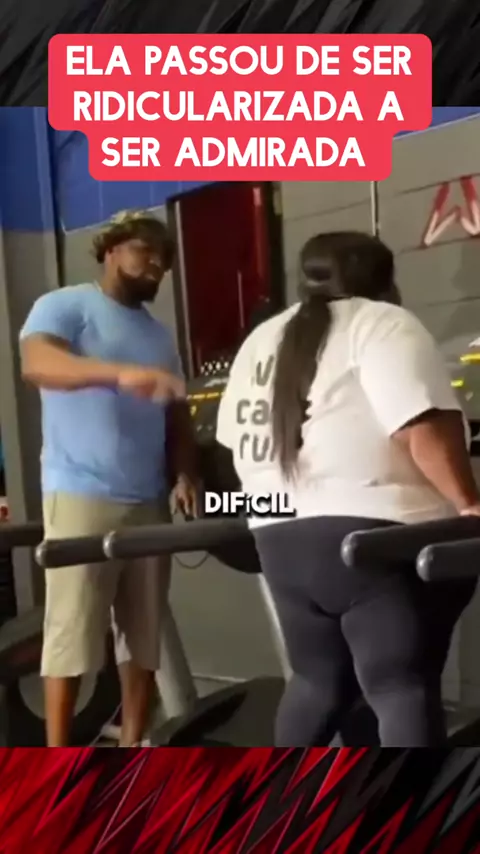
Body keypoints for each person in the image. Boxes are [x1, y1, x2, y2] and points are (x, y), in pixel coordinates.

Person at [216, 230, 479, 748]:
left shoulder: (261, 339)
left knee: (316, 683)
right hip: (376, 539)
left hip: (280, 541)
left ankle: (281, 796)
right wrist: (469, 504)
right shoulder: (382, 322)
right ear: (386, 281)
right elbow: (419, 425)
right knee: (400, 687)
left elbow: (234, 447)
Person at [19, 209, 199, 747]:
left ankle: (132, 748)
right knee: (72, 635)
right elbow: (38, 364)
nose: (157, 265)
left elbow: (176, 414)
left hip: (147, 499)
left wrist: (185, 473)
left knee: (143, 637)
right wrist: (118, 373)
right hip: (80, 492)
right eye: (146, 251)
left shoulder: (159, 337)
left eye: (164, 259)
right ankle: (57, 761)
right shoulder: (65, 305)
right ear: (111, 249)